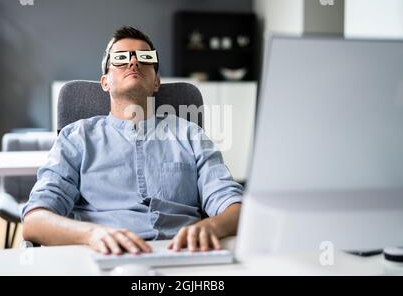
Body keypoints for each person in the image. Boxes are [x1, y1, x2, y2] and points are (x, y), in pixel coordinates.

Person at [22, 26, 243, 255]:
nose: (133, 63)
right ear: (105, 82)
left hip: (183, 252)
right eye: (120, 59)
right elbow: (35, 221)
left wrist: (212, 226)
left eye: (145, 58)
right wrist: (91, 234)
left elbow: (234, 205)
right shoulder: (76, 138)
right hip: (103, 254)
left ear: (156, 82)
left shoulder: (190, 135)